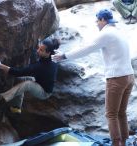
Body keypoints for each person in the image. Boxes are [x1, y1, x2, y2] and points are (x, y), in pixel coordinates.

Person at [52, 9, 134, 146]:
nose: (96, 24)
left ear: (103, 20)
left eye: (97, 20)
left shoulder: (106, 34)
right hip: (129, 76)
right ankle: (124, 143)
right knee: (121, 113)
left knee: (111, 114)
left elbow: (87, 48)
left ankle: (116, 144)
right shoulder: (118, 32)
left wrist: (64, 56)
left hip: (116, 78)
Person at [0, 38, 60, 114]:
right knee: (20, 79)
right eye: (38, 47)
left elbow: (19, 72)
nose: (38, 50)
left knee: (28, 84)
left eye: (41, 50)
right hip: (39, 81)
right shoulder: (53, 56)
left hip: (44, 92)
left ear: (48, 53)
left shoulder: (42, 66)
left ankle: (0, 98)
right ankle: (16, 107)